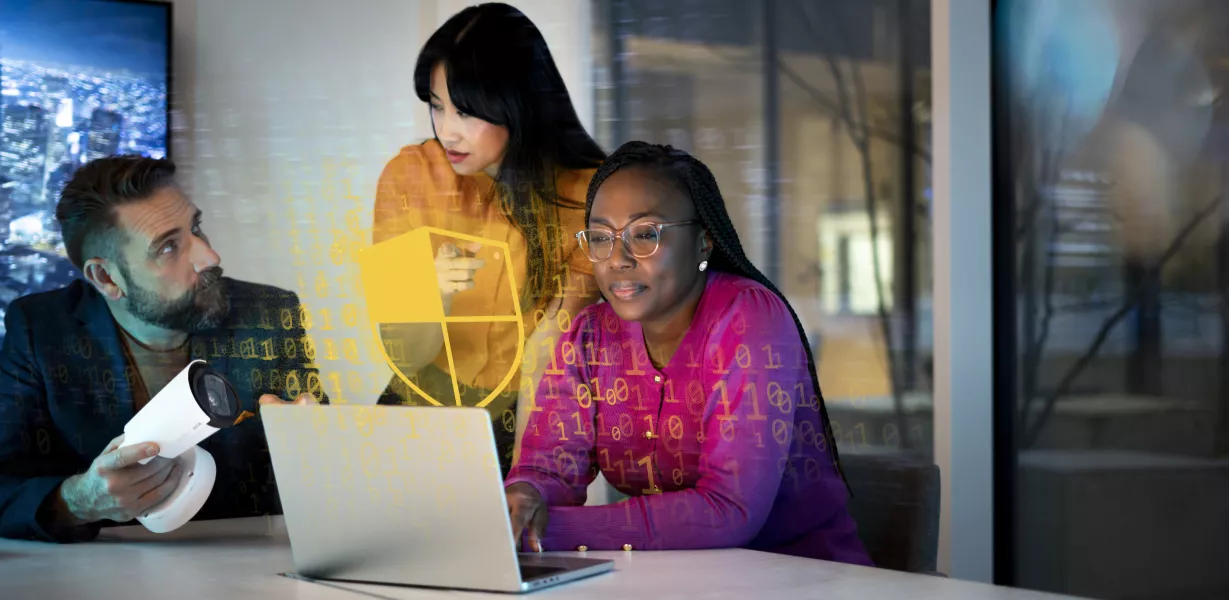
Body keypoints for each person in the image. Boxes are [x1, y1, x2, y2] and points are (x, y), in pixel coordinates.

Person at [503, 142, 873, 566]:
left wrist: (546, 530)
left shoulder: (749, 320)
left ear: (703, 241)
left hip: (802, 579)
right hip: (671, 580)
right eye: (602, 238)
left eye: (645, 235)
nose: (617, 259)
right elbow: (549, 466)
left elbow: (730, 511)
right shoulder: (591, 335)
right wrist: (524, 500)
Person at [0, 156, 324, 542]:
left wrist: (310, 448)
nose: (209, 257)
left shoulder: (270, 315)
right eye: (169, 246)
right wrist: (76, 500)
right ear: (106, 277)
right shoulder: (40, 329)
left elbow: (317, 479)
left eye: (197, 228)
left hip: (244, 562)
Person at [371, 2, 604, 476]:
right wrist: (430, 294)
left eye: (467, 111)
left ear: (519, 103)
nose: (447, 130)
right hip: (415, 411)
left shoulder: (589, 196)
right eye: (437, 107)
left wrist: (525, 476)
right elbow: (403, 354)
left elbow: (548, 353)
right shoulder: (408, 176)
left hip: (522, 418)